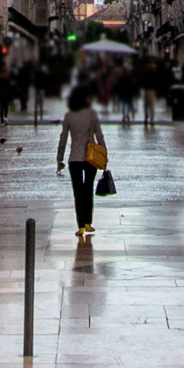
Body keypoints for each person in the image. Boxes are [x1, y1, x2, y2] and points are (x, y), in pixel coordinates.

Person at [55, 80, 111, 259]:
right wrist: (104, 155)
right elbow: (99, 135)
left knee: (78, 191)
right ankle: (88, 223)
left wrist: (59, 158)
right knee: (88, 190)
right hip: (90, 158)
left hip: (75, 159)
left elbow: (63, 137)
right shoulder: (92, 114)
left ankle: (80, 225)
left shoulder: (69, 116)